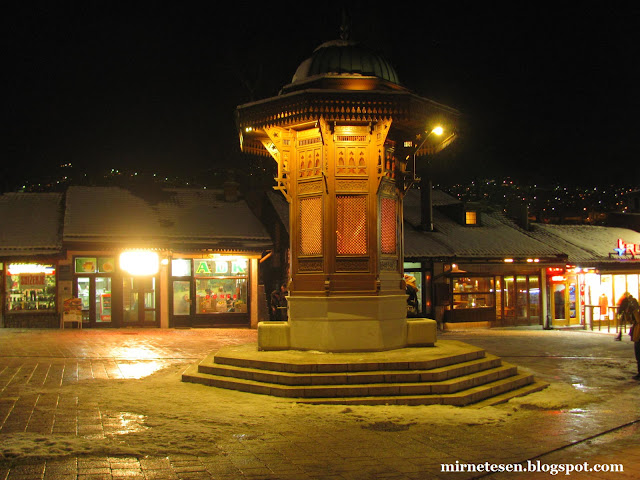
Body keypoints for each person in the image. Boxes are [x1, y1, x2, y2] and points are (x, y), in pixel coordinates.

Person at [626, 294, 640, 379]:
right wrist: (628, 313)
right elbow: (631, 321)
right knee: (638, 356)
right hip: (637, 336)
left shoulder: (637, 312)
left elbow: (639, 320)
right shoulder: (636, 311)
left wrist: (634, 310)